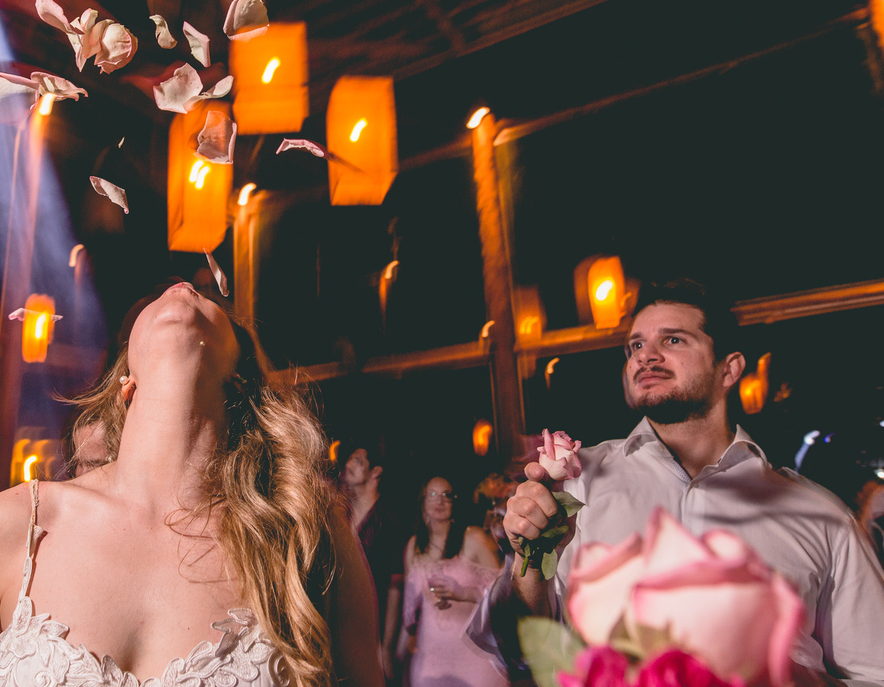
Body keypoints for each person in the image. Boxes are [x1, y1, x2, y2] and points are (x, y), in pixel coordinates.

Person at [0, 282, 384, 687]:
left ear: (238, 379)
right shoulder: (18, 524)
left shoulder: (306, 535)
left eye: (208, 302)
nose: (183, 289)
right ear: (126, 383)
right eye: (160, 297)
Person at [470, 279, 884, 687]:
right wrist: (530, 564)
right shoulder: (579, 484)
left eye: (673, 341)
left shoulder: (821, 516)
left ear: (729, 368)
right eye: (635, 345)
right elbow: (518, 653)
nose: (645, 356)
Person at [397, 476, 507, 687]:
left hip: (475, 658)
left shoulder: (472, 539)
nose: (440, 501)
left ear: (454, 503)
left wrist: (464, 592)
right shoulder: (414, 546)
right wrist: (396, 654)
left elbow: (502, 595)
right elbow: (409, 611)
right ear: (422, 501)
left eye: (446, 495)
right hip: (431, 657)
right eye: (433, 494)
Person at [339, 439, 405, 679]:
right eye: (349, 459)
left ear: (375, 471)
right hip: (343, 623)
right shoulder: (340, 514)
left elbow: (395, 587)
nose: (348, 464)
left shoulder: (388, 519)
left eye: (358, 460)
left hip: (374, 628)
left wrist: (385, 646)